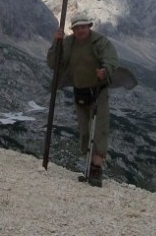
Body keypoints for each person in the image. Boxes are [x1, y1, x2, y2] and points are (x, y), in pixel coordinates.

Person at [46, 11, 119, 187]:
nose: (81, 30)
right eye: (77, 27)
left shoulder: (99, 42)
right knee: (85, 130)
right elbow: (53, 63)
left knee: (99, 130)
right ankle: (87, 167)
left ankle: (96, 169)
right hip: (79, 91)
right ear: (73, 29)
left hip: (98, 91)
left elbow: (111, 58)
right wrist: (56, 43)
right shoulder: (68, 43)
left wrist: (105, 70)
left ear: (89, 26)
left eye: (84, 26)